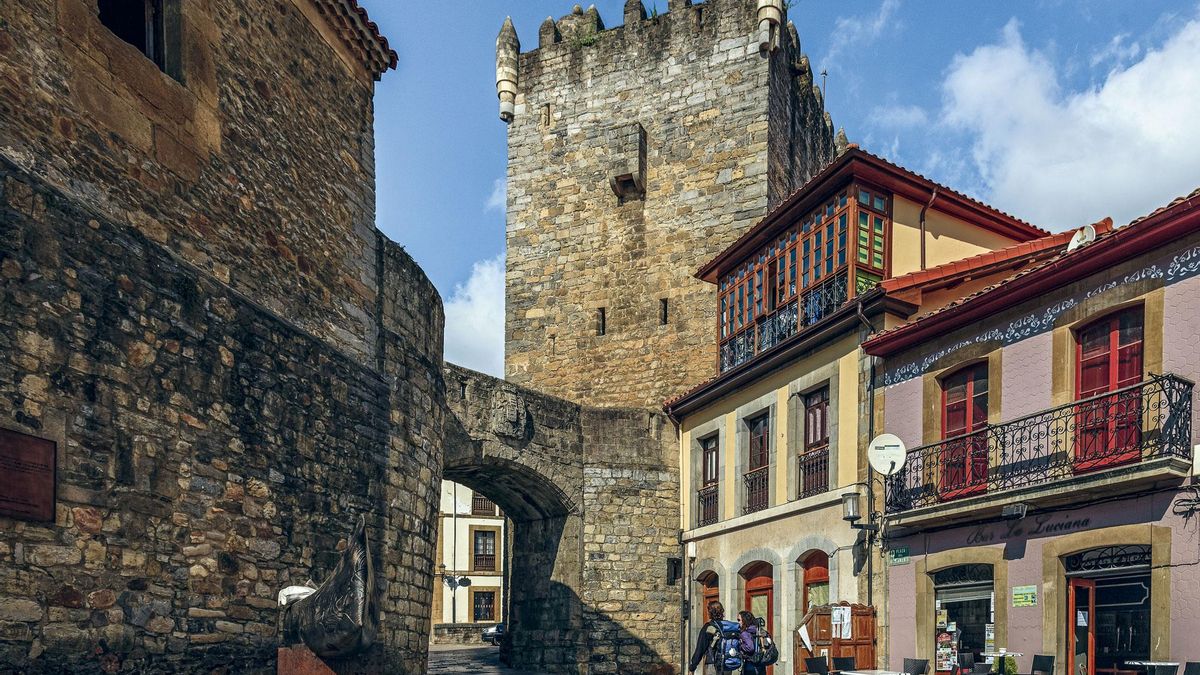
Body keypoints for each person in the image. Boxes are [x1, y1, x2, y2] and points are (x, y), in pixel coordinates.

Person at [688, 600, 727, 674]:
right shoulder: (727, 626)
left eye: (708, 610)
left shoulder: (708, 627)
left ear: (711, 612)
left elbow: (700, 648)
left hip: (712, 664)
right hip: (727, 664)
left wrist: (692, 667)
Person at [738, 610, 764, 675]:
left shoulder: (745, 633)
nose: (738, 622)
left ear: (744, 621)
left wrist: (740, 645)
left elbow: (750, 647)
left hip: (750, 664)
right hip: (760, 664)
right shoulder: (757, 630)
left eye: (739, 620)